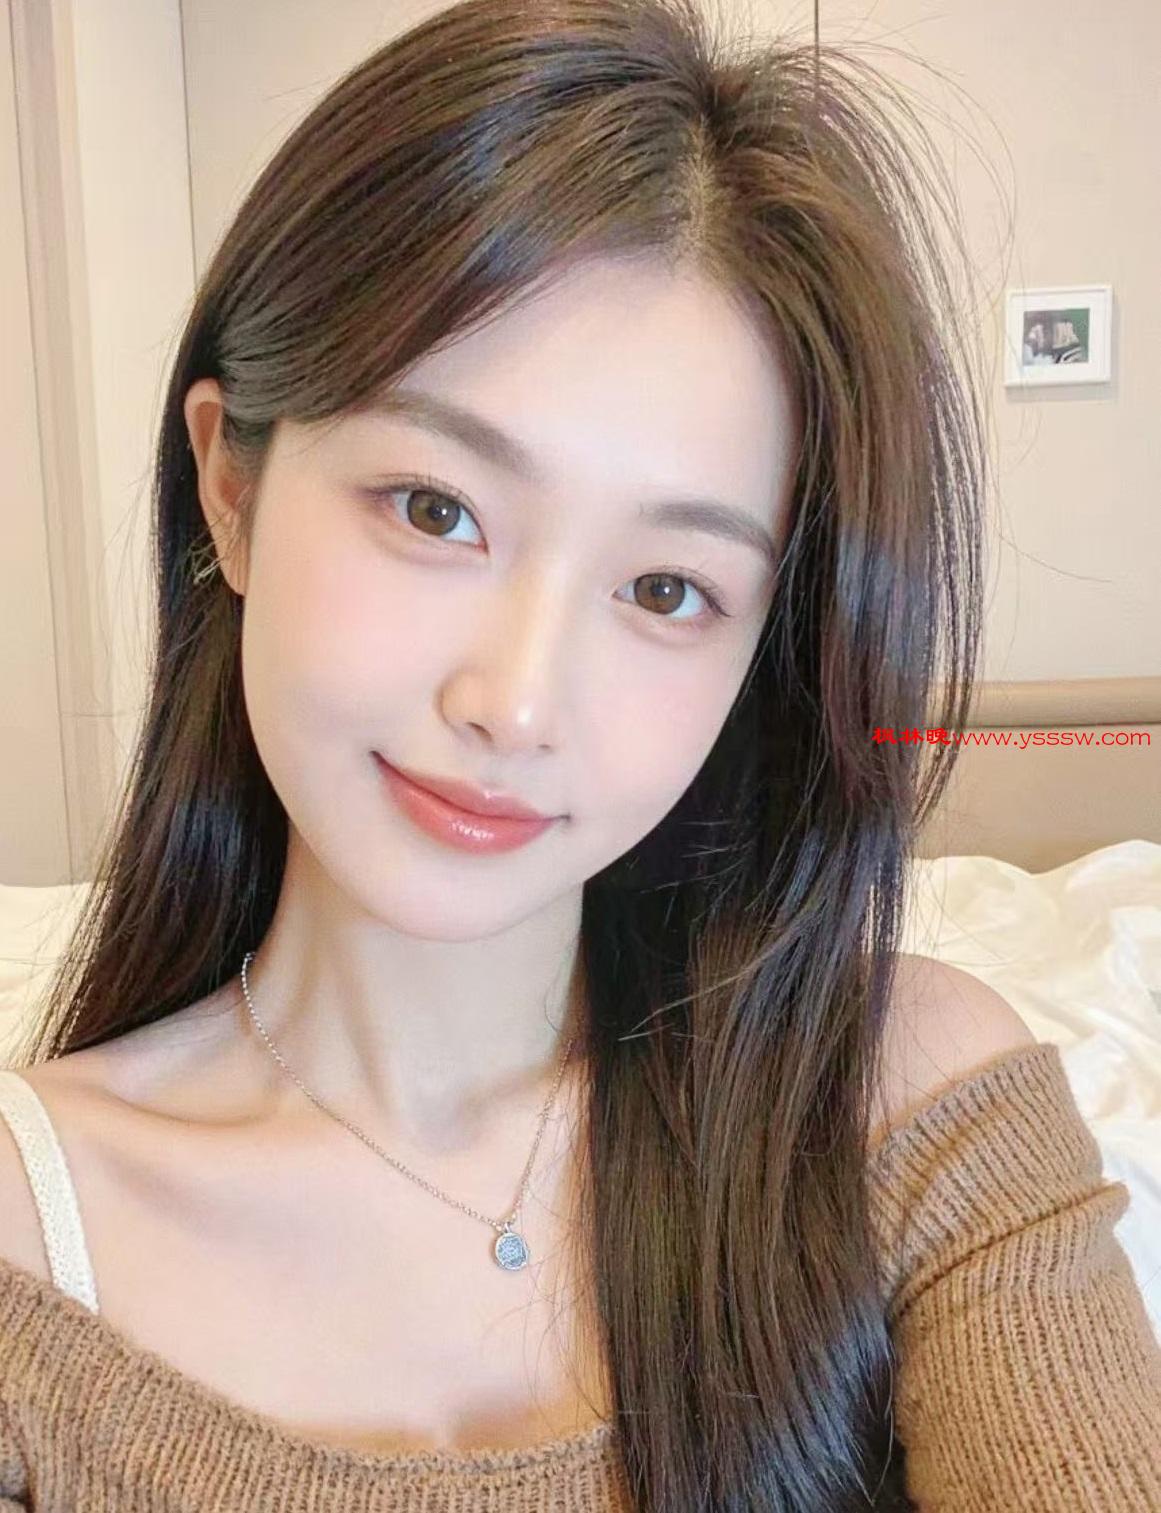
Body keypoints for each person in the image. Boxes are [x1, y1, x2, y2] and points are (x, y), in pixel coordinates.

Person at [1, 1, 1159, 1508]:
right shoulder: (35, 1253)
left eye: (666, 590)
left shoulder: (903, 1104)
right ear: (231, 486)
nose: (518, 701)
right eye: (436, 510)